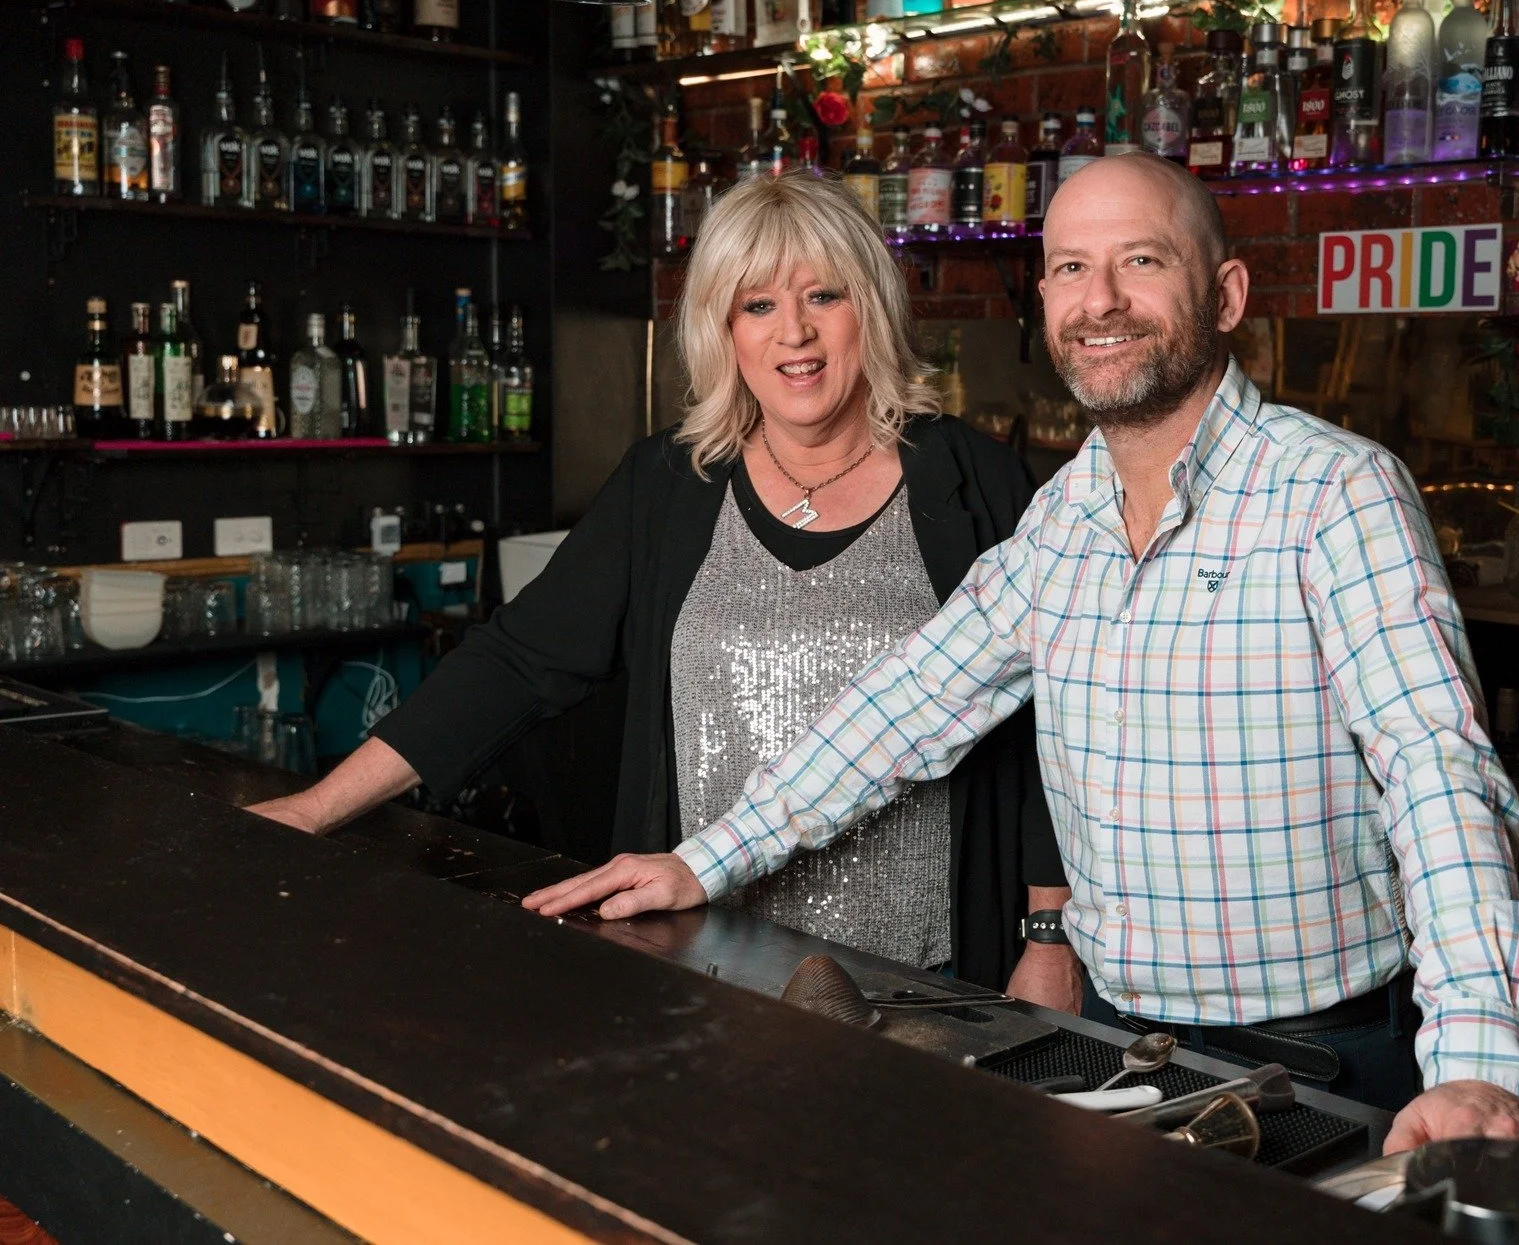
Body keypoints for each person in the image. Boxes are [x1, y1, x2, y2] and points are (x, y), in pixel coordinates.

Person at [522, 152, 1519, 1196]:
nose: (1101, 300)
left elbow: (1437, 775)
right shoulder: (1063, 518)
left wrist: (1478, 1061)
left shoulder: (1334, 494)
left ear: (1225, 295)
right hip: (1115, 1054)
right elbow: (903, 709)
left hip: (1315, 1063)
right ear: (1045, 301)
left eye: (1141, 261)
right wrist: (702, 861)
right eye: (1070, 268)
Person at [249, 171, 1082, 1004]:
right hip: (709, 954)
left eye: (824, 295)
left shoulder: (977, 483)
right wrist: (317, 807)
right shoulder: (669, 484)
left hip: (927, 973)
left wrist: (1050, 936)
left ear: (872, 305)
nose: (794, 332)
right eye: (758, 305)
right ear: (724, 329)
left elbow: (1050, 725)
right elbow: (515, 660)